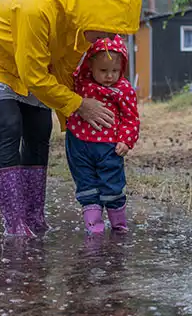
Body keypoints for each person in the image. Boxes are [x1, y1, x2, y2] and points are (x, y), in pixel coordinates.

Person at [0, 0, 143, 237]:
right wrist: (78, 105)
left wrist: (73, 121)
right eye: (108, 29)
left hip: (26, 61)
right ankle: (15, 223)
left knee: (40, 128)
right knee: (9, 125)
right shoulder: (37, 9)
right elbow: (34, 76)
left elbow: (64, 71)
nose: (108, 37)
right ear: (93, 15)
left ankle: (34, 216)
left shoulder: (80, 27)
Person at [65, 35, 139, 235]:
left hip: (109, 148)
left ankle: (119, 226)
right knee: (86, 186)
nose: (109, 76)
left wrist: (126, 139)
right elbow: (67, 75)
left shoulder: (123, 89)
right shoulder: (81, 82)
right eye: (103, 71)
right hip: (78, 145)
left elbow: (130, 118)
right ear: (90, 66)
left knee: (112, 185)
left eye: (115, 71)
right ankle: (93, 228)